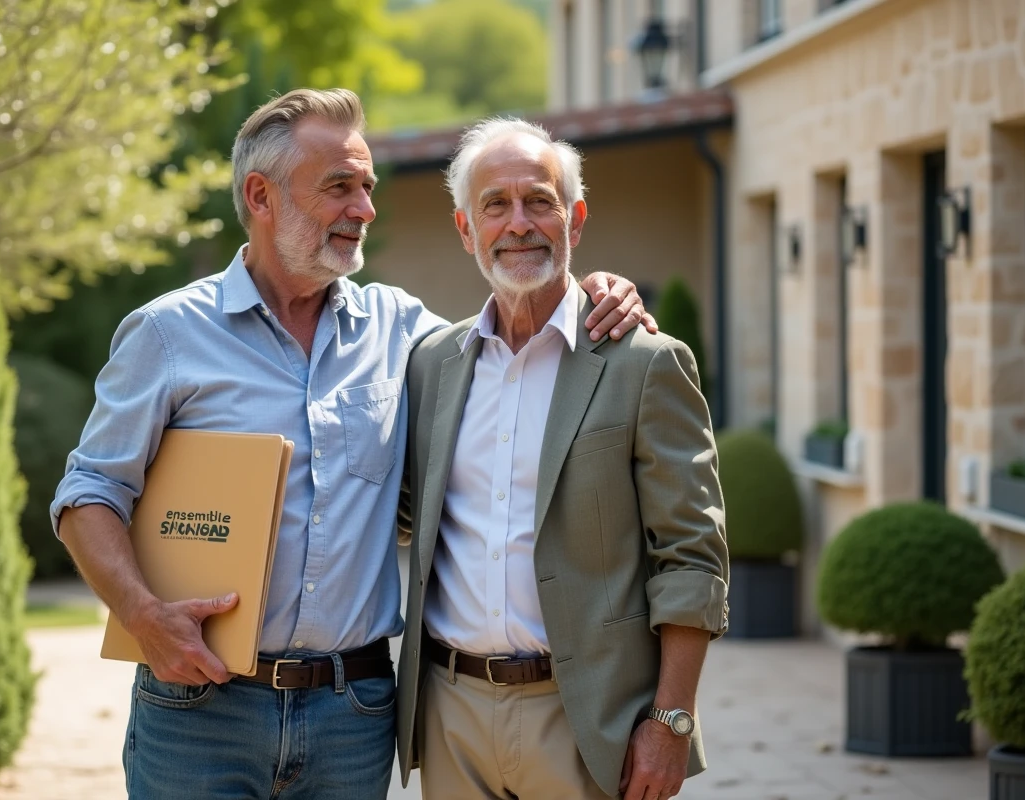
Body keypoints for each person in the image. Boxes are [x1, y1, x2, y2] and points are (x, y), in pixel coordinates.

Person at [50, 89, 655, 799]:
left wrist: (593, 291)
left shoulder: (404, 330)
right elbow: (89, 493)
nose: (365, 208)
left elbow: (515, 339)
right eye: (339, 187)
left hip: (352, 717)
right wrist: (141, 615)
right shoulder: (167, 334)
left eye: (366, 187)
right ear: (261, 195)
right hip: (199, 710)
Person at [396, 117, 729, 800]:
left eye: (539, 201)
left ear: (574, 219)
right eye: (495, 204)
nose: (518, 223)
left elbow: (692, 556)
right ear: (466, 230)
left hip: (589, 721)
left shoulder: (645, 364)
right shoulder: (431, 365)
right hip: (450, 715)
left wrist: (672, 720)